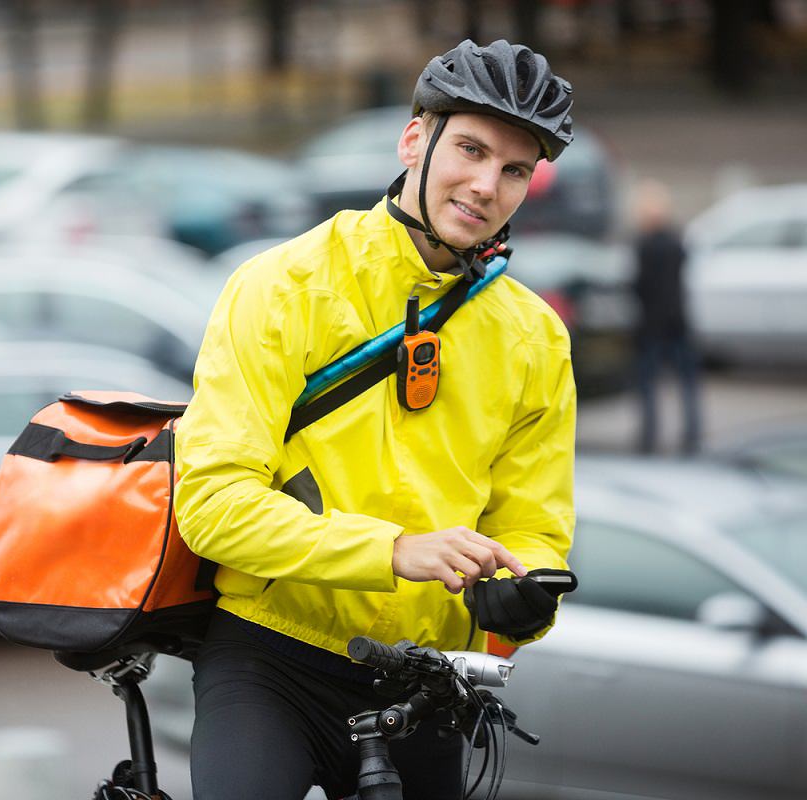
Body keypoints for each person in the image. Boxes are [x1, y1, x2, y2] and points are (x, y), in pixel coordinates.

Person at [173, 39, 578, 800]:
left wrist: (523, 595)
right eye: (470, 149)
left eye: (514, 169)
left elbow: (534, 528)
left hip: (426, 680)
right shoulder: (282, 285)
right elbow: (213, 506)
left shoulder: (535, 337)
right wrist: (392, 550)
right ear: (413, 139)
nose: (486, 185)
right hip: (272, 656)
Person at [632, 179, 701, 455]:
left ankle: (648, 438)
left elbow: (639, 285)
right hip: (678, 324)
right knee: (687, 386)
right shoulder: (677, 242)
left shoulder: (644, 245)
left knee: (649, 388)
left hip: (651, 327)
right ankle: (692, 437)